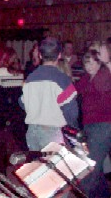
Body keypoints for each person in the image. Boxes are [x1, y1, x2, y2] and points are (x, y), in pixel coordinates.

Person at [20, 37, 79, 151]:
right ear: (59, 55)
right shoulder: (62, 79)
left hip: (32, 133)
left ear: (41, 56)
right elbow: (71, 111)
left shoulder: (30, 78)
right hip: (52, 133)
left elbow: (22, 102)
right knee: (55, 168)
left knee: (39, 167)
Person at [76, 50, 111, 198]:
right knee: (96, 167)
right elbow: (72, 91)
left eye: (91, 62)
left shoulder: (104, 76)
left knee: (91, 169)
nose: (88, 66)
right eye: (85, 63)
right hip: (89, 126)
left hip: (103, 125)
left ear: (98, 62)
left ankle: (85, 194)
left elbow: (102, 87)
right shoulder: (86, 78)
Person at [0, 47, 27, 174]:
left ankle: (2, 173)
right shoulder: (20, 74)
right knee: (21, 142)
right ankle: (27, 171)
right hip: (18, 112)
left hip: (4, 111)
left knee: (1, 143)